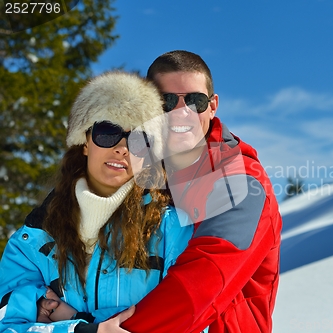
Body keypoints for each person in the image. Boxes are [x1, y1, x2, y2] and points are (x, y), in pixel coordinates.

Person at [0, 72, 197, 333]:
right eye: (107, 132)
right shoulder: (32, 242)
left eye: (139, 140)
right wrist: (85, 330)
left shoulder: (174, 230)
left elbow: (193, 320)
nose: (122, 148)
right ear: (85, 141)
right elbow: (8, 326)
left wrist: (69, 319)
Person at [119, 50, 283, 332]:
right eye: (166, 101)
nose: (182, 113)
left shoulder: (243, 183)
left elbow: (200, 287)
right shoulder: (131, 173)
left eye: (195, 101)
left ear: (212, 106)